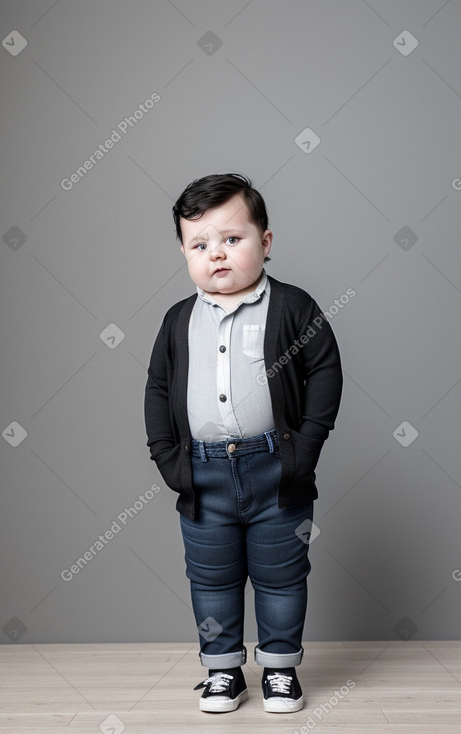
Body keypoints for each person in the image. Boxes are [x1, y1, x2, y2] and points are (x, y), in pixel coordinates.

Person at [144, 173, 342, 714]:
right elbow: (159, 388)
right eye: (200, 244)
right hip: (203, 474)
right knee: (211, 580)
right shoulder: (178, 320)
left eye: (233, 239)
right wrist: (167, 457)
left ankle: (280, 668)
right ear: (184, 251)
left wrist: (305, 449)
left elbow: (325, 372)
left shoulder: (294, 307)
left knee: (282, 576)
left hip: (278, 471)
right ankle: (222, 671)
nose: (218, 255)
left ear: (266, 243)